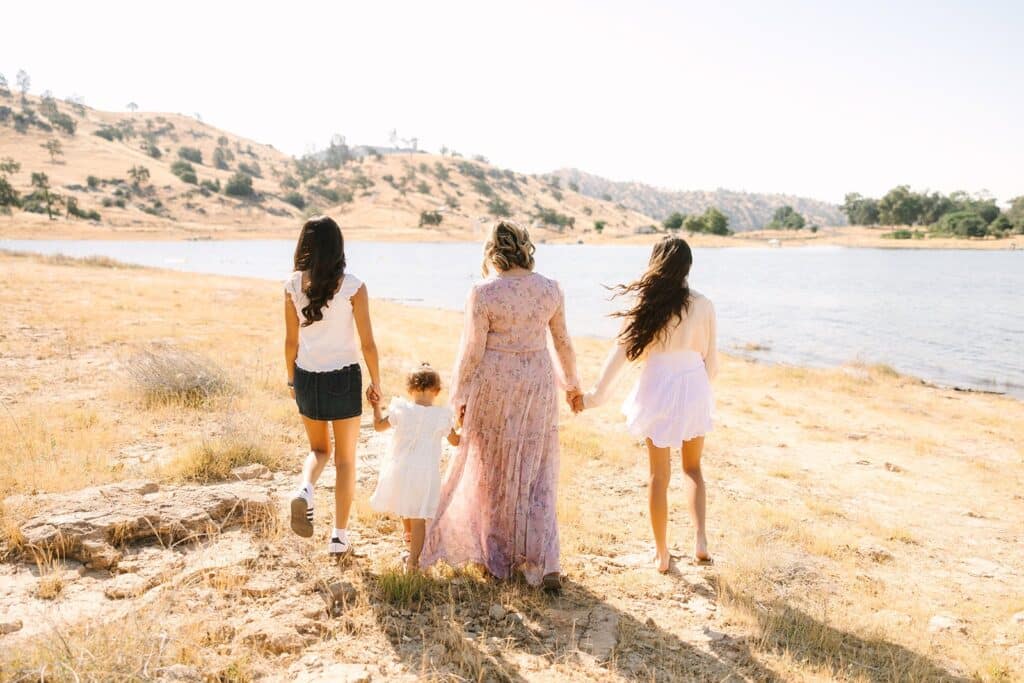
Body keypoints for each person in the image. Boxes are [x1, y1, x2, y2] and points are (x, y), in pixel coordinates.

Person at [420, 221, 581, 592]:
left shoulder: (483, 293)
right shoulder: (551, 290)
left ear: (493, 250)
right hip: (537, 387)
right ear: (525, 247)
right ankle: (546, 562)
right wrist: (572, 386)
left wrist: (457, 399)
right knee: (537, 471)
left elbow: (471, 353)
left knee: (492, 471)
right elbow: (564, 344)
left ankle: (500, 561)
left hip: (494, 384)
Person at [578, 236, 717, 573]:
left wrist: (594, 396)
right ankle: (700, 540)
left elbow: (620, 355)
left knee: (659, 476)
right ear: (688, 268)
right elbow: (711, 362)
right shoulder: (704, 304)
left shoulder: (648, 304)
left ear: (656, 264)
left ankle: (662, 553)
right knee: (693, 468)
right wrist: (700, 392)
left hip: (660, 385)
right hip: (694, 382)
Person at [283, 216, 382, 558]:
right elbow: (367, 343)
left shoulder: (293, 286)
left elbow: (290, 342)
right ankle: (339, 537)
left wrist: (292, 380)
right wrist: (376, 382)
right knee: (345, 461)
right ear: (339, 246)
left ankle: (305, 488)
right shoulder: (353, 286)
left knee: (318, 451)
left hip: (307, 376)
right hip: (343, 377)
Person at [369, 364, 460, 572]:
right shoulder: (442, 416)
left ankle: (408, 538)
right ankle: (413, 562)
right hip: (425, 473)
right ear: (437, 391)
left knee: (404, 503)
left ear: (410, 390)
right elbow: (455, 441)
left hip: (400, 468)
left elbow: (378, 426)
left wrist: (375, 407)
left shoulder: (402, 409)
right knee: (419, 517)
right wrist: (463, 423)